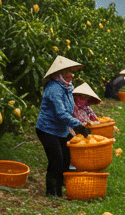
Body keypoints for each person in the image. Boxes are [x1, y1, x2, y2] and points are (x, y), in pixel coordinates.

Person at [35, 56, 90, 197]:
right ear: (58, 73)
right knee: (56, 160)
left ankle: (61, 185)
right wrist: (78, 126)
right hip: (47, 130)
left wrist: (79, 124)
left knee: (66, 157)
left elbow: (70, 109)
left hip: (61, 129)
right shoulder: (54, 88)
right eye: (67, 72)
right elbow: (60, 113)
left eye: (71, 71)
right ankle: (52, 192)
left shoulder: (67, 87)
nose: (70, 75)